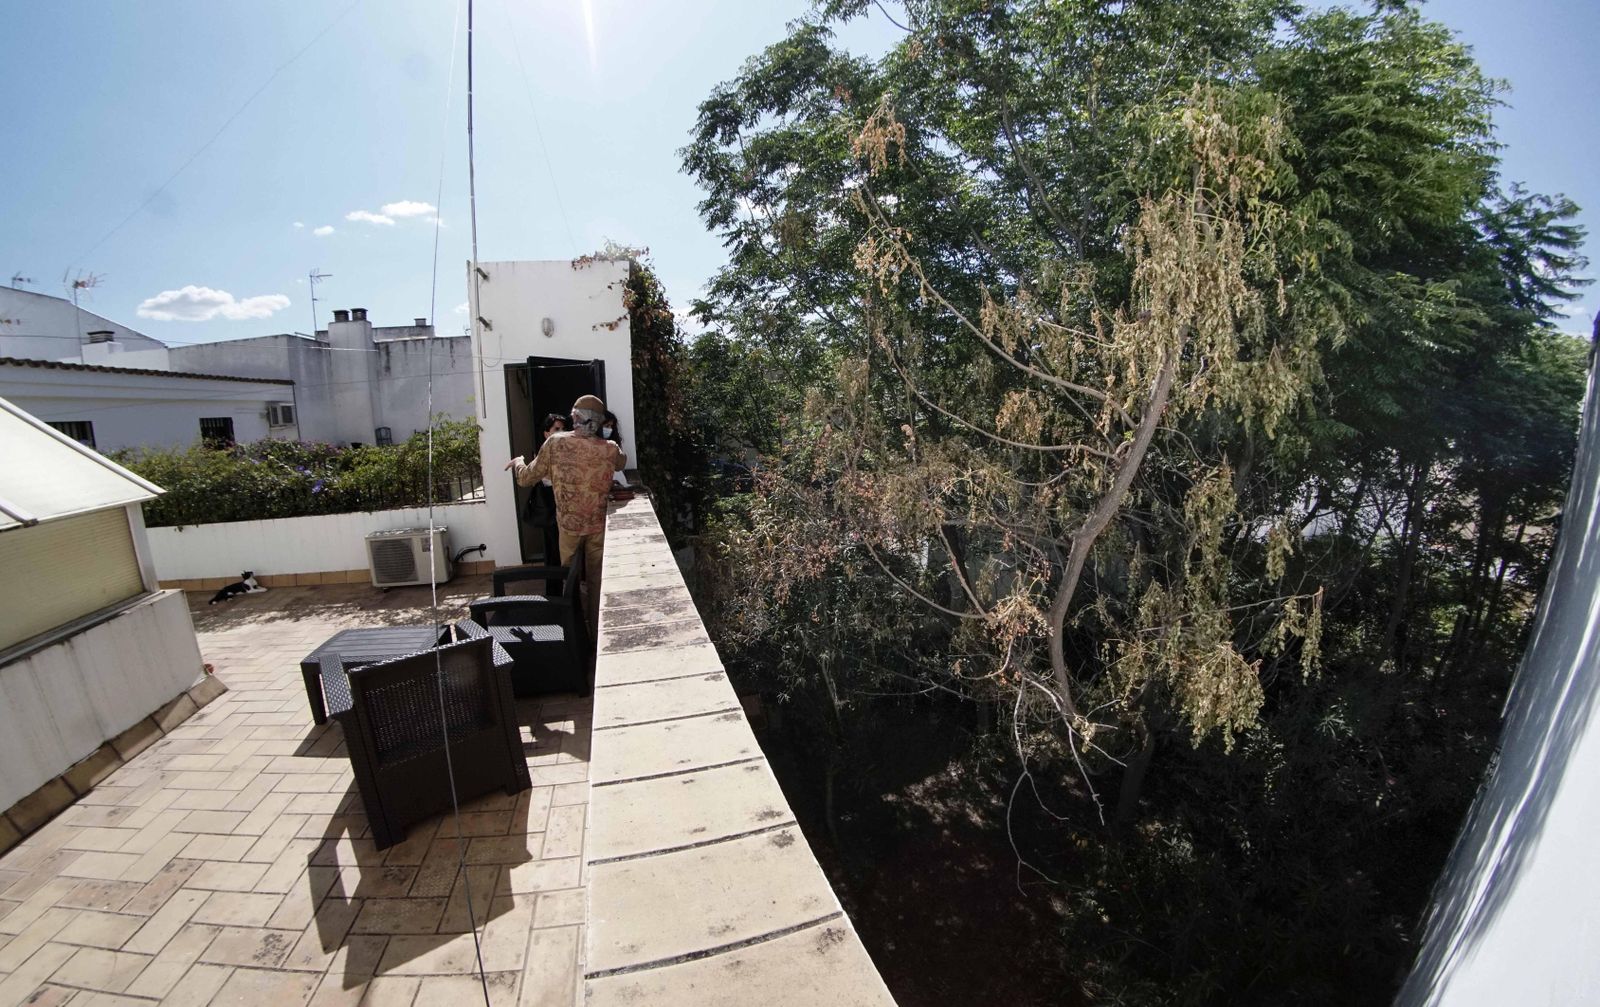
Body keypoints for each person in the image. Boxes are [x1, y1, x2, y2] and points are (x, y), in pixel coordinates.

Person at [505, 394, 625, 637]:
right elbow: (621, 463)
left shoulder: (555, 443)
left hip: (568, 528)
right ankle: (597, 636)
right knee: (597, 583)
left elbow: (525, 478)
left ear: (576, 417)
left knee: (569, 581)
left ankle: (575, 635)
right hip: (597, 527)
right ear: (599, 422)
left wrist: (518, 462)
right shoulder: (610, 448)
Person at [526, 413, 566, 564]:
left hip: (565, 504)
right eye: (556, 429)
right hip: (550, 504)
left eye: (563, 429)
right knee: (553, 546)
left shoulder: (568, 450)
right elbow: (529, 477)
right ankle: (555, 578)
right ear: (546, 433)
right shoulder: (544, 454)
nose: (561, 432)